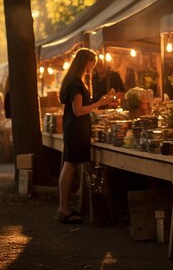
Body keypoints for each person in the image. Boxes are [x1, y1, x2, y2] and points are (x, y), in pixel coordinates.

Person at [58, 48, 119, 224]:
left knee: (70, 166)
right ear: (85, 61)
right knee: (69, 166)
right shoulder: (76, 83)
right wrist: (99, 103)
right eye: (92, 63)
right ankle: (64, 208)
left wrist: (102, 102)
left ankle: (65, 207)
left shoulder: (74, 81)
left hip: (76, 129)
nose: (93, 67)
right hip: (75, 130)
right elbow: (78, 111)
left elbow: (83, 107)